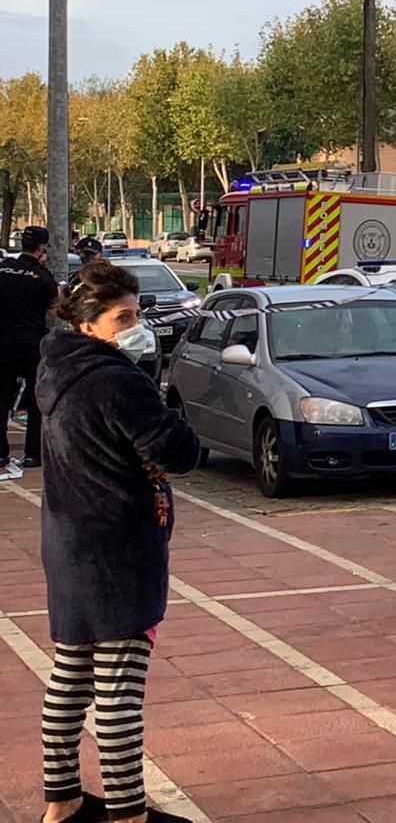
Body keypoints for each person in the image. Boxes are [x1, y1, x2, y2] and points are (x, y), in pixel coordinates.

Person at [36, 259, 202, 823]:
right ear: (88, 325)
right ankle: (129, 812)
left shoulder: (57, 370)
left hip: (68, 540)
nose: (136, 326)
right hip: (118, 547)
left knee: (71, 676)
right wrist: (152, 391)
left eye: (136, 314)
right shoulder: (116, 380)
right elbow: (179, 451)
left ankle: (61, 801)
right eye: (122, 318)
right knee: (119, 688)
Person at [0, 226, 59, 475]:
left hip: (2, 342)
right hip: (32, 344)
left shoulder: (3, 269)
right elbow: (55, 309)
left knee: (1, 397)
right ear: (42, 249)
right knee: (37, 399)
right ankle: (33, 454)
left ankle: (0, 453)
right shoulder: (43, 277)